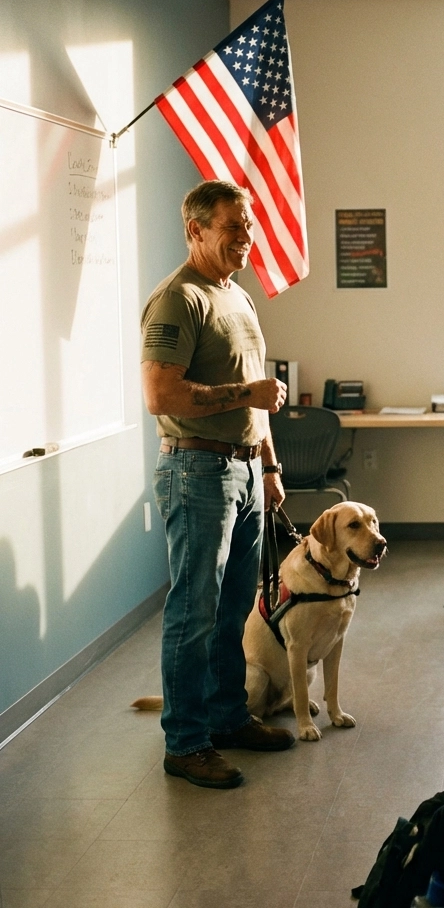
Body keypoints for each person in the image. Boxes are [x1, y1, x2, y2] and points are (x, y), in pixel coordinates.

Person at [141, 180, 295, 790]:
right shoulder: (179, 300)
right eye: (233, 227)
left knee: (236, 605)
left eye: (248, 225)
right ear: (195, 230)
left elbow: (258, 396)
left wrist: (271, 465)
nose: (246, 237)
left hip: (247, 469)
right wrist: (248, 397)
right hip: (197, 470)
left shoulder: (239, 298)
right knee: (193, 610)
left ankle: (229, 718)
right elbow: (161, 393)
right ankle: (185, 742)